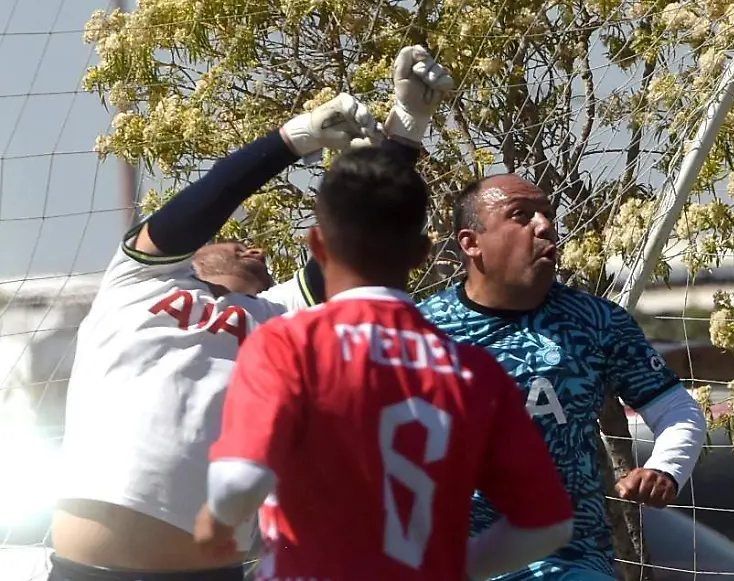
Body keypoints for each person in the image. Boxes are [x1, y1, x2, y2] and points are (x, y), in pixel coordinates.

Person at [50, 46, 455, 581]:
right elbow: (200, 205)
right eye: (236, 239)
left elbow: (363, 244)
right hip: (91, 569)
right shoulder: (136, 281)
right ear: (196, 253)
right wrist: (293, 139)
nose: (253, 248)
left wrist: (405, 132)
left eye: (261, 249)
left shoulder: (283, 316)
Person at [194, 145, 576, 581]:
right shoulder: (472, 368)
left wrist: (215, 520)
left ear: (317, 244)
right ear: (422, 252)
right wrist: (453, 568)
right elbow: (547, 523)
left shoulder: (288, 343)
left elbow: (239, 482)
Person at [419, 173, 709, 581]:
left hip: (567, 561)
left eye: (547, 215)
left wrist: (665, 469)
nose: (544, 226)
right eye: (520, 215)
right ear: (471, 243)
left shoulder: (597, 322)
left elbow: (678, 410)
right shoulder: (418, 332)